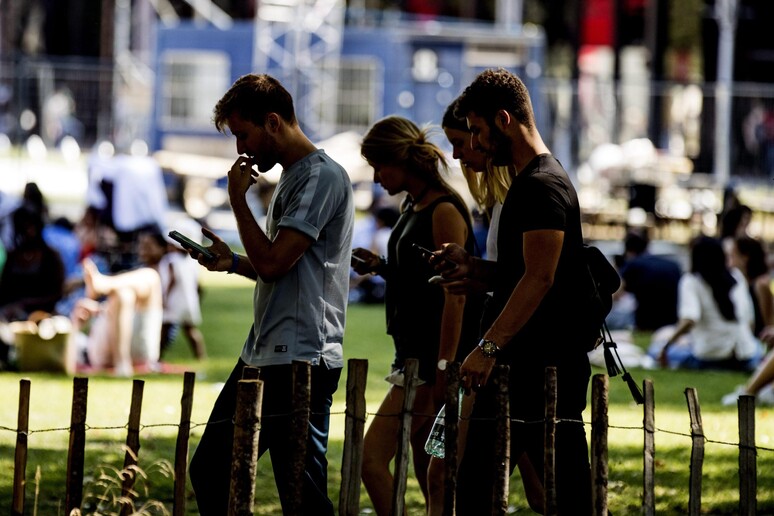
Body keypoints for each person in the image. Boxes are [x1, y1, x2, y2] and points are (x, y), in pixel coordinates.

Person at [187, 73, 354, 515]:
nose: (241, 149)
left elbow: (276, 262)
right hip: (264, 353)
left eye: (243, 134)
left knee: (301, 496)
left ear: (274, 122)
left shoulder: (322, 177)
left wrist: (238, 202)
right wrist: (234, 262)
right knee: (209, 470)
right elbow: (279, 268)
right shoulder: (292, 178)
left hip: (300, 358)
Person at [430, 68, 594, 514]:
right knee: (499, 489)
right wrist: (473, 268)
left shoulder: (542, 185)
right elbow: (521, 272)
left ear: (504, 120)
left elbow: (540, 278)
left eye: (479, 131)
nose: (476, 144)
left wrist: (486, 347)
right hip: (524, 367)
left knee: (553, 493)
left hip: (539, 369)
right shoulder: (528, 182)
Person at [351, 115, 482, 515]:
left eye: (380, 166)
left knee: (370, 459)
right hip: (411, 354)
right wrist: (381, 267)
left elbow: (453, 296)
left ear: (402, 160)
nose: (376, 178)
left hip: (430, 362)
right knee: (431, 474)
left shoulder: (443, 209)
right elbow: (420, 276)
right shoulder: (414, 203)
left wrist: (444, 368)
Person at [423, 100, 543, 515]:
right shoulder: (498, 202)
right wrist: (471, 269)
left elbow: (536, 279)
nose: (459, 153)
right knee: (531, 484)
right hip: (495, 352)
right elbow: (508, 278)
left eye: (467, 138)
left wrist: (476, 352)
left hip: (505, 354)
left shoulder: (525, 195)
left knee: (466, 476)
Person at [654, 235, 760, 371]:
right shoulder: (736, 276)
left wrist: (666, 346)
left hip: (711, 357)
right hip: (745, 356)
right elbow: (749, 320)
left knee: (655, 349)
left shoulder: (691, 281)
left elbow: (689, 319)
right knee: (756, 345)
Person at [70, 241, 163, 377]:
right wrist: (78, 322)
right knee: (139, 284)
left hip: (131, 344)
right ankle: (122, 363)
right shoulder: (80, 344)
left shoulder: (170, 266)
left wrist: (99, 309)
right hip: (111, 352)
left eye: (148, 246)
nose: (143, 250)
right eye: (143, 246)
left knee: (127, 291)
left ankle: (103, 283)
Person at [617, 229, 682, 331]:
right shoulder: (673, 265)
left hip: (645, 324)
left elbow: (616, 293)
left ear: (628, 252)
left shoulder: (633, 264)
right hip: (671, 321)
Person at [159, 232, 207, 360]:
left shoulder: (170, 260)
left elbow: (172, 279)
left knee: (165, 329)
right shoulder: (191, 262)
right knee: (190, 330)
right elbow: (198, 285)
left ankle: (157, 357)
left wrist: (164, 297)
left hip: (174, 300)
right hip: (189, 301)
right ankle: (200, 357)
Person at [728, 235, 774, 347]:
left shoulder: (761, 284)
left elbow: (768, 321)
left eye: (733, 256)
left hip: (759, 342)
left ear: (745, 258)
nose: (730, 262)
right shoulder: (741, 282)